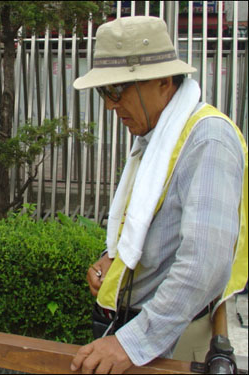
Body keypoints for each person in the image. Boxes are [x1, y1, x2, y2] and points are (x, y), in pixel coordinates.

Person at [70, 16, 247, 373]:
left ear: (164, 82)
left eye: (116, 91)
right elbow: (154, 225)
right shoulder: (159, 137)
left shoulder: (208, 140)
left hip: (172, 341)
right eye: (105, 92)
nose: (109, 105)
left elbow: (205, 265)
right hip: (144, 331)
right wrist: (114, 257)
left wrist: (129, 342)